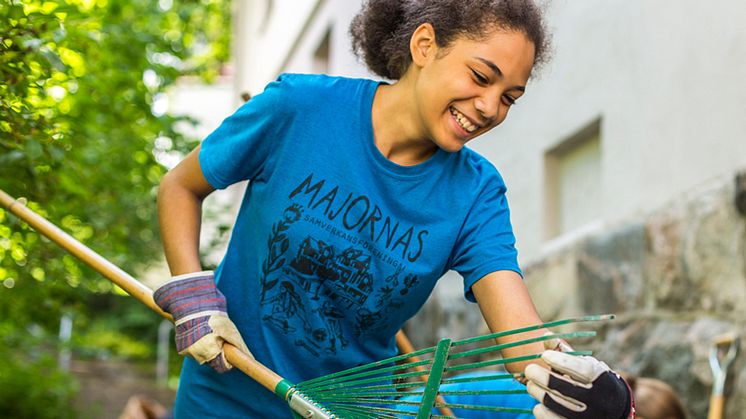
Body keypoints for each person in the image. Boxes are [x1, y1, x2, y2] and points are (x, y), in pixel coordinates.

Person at [154, 0, 635, 417]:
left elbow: (519, 337)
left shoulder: (475, 193)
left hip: (343, 412)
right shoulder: (298, 108)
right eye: (481, 76)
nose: (491, 107)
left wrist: (585, 385)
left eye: (510, 97)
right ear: (424, 45)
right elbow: (179, 187)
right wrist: (192, 290)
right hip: (224, 395)